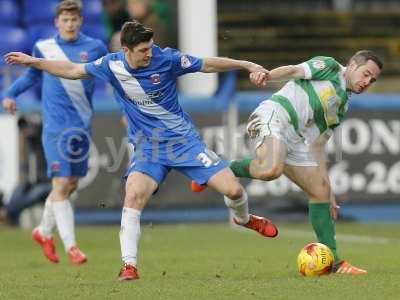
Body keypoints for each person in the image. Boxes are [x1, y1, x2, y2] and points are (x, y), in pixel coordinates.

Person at [5, 20, 280, 281]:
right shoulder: (110, 65)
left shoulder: (166, 58)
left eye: (151, 47)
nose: (150, 53)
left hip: (184, 142)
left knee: (234, 191)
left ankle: (245, 219)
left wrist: (245, 64)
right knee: (134, 195)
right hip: (149, 148)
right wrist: (34, 62)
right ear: (125, 50)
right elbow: (72, 70)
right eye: (143, 50)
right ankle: (129, 265)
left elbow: (207, 64)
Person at [192, 50, 383, 275]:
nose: (367, 82)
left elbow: (319, 145)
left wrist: (328, 188)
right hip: (276, 116)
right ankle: (218, 168)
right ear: (352, 65)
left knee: (321, 192)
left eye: (372, 80)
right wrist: (268, 76)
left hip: (296, 140)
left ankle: (334, 263)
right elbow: (294, 70)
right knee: (271, 169)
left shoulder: (342, 105)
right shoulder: (329, 67)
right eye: (366, 74)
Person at [2, 0, 108, 264]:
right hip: (55, 126)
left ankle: (43, 230)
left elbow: (112, 76)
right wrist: (10, 93)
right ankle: (72, 246)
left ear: (81, 21)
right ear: (56, 22)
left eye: (74, 20)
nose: (70, 24)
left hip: (81, 124)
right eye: (65, 20)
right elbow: (31, 77)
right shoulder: (44, 48)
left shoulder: (95, 47)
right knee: (61, 183)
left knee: (70, 184)